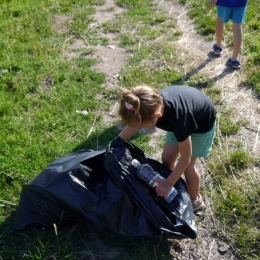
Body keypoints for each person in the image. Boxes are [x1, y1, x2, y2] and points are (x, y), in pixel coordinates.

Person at [118, 85, 216, 211]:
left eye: (142, 126)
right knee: (167, 158)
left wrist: (168, 183)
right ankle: (176, 185)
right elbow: (135, 124)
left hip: (201, 124)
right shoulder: (147, 107)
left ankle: (195, 200)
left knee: (188, 167)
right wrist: (118, 141)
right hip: (184, 118)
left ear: (157, 116)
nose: (140, 128)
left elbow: (185, 157)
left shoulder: (178, 120)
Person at [208, 0, 248, 69]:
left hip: (224, 2)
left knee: (220, 20)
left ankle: (218, 46)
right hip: (241, 2)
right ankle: (234, 59)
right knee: (238, 27)